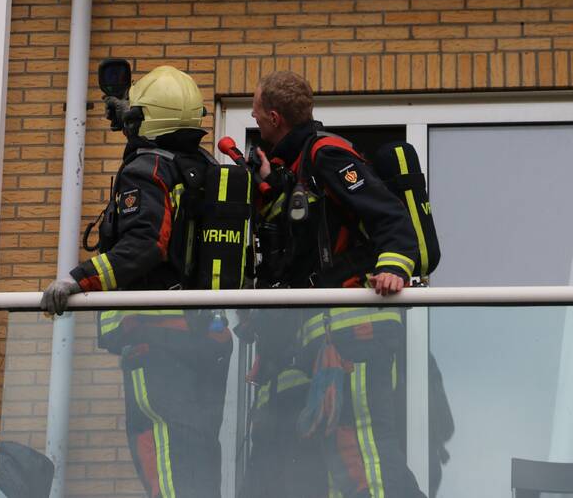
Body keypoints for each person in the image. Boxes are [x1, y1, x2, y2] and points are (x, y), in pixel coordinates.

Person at [41, 65, 232, 498]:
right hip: (208, 337)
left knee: (162, 452)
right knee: (199, 454)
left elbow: (145, 246)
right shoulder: (204, 167)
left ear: (145, 120)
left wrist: (78, 280)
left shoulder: (145, 171)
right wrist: (133, 117)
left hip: (158, 337)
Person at [249, 70, 425, 498]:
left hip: (356, 328)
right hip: (327, 333)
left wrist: (394, 267)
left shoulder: (326, 154)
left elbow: (389, 216)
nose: (254, 122)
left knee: (362, 451)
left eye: (256, 115)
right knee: (339, 463)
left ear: (274, 117)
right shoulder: (296, 165)